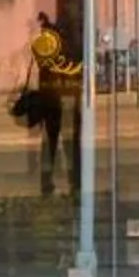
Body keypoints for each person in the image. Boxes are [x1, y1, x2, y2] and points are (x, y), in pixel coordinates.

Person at [24, 10, 84, 196]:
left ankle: (48, 184)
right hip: (67, 99)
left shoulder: (46, 46)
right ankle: (74, 185)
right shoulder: (72, 47)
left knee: (50, 144)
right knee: (70, 145)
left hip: (52, 99)